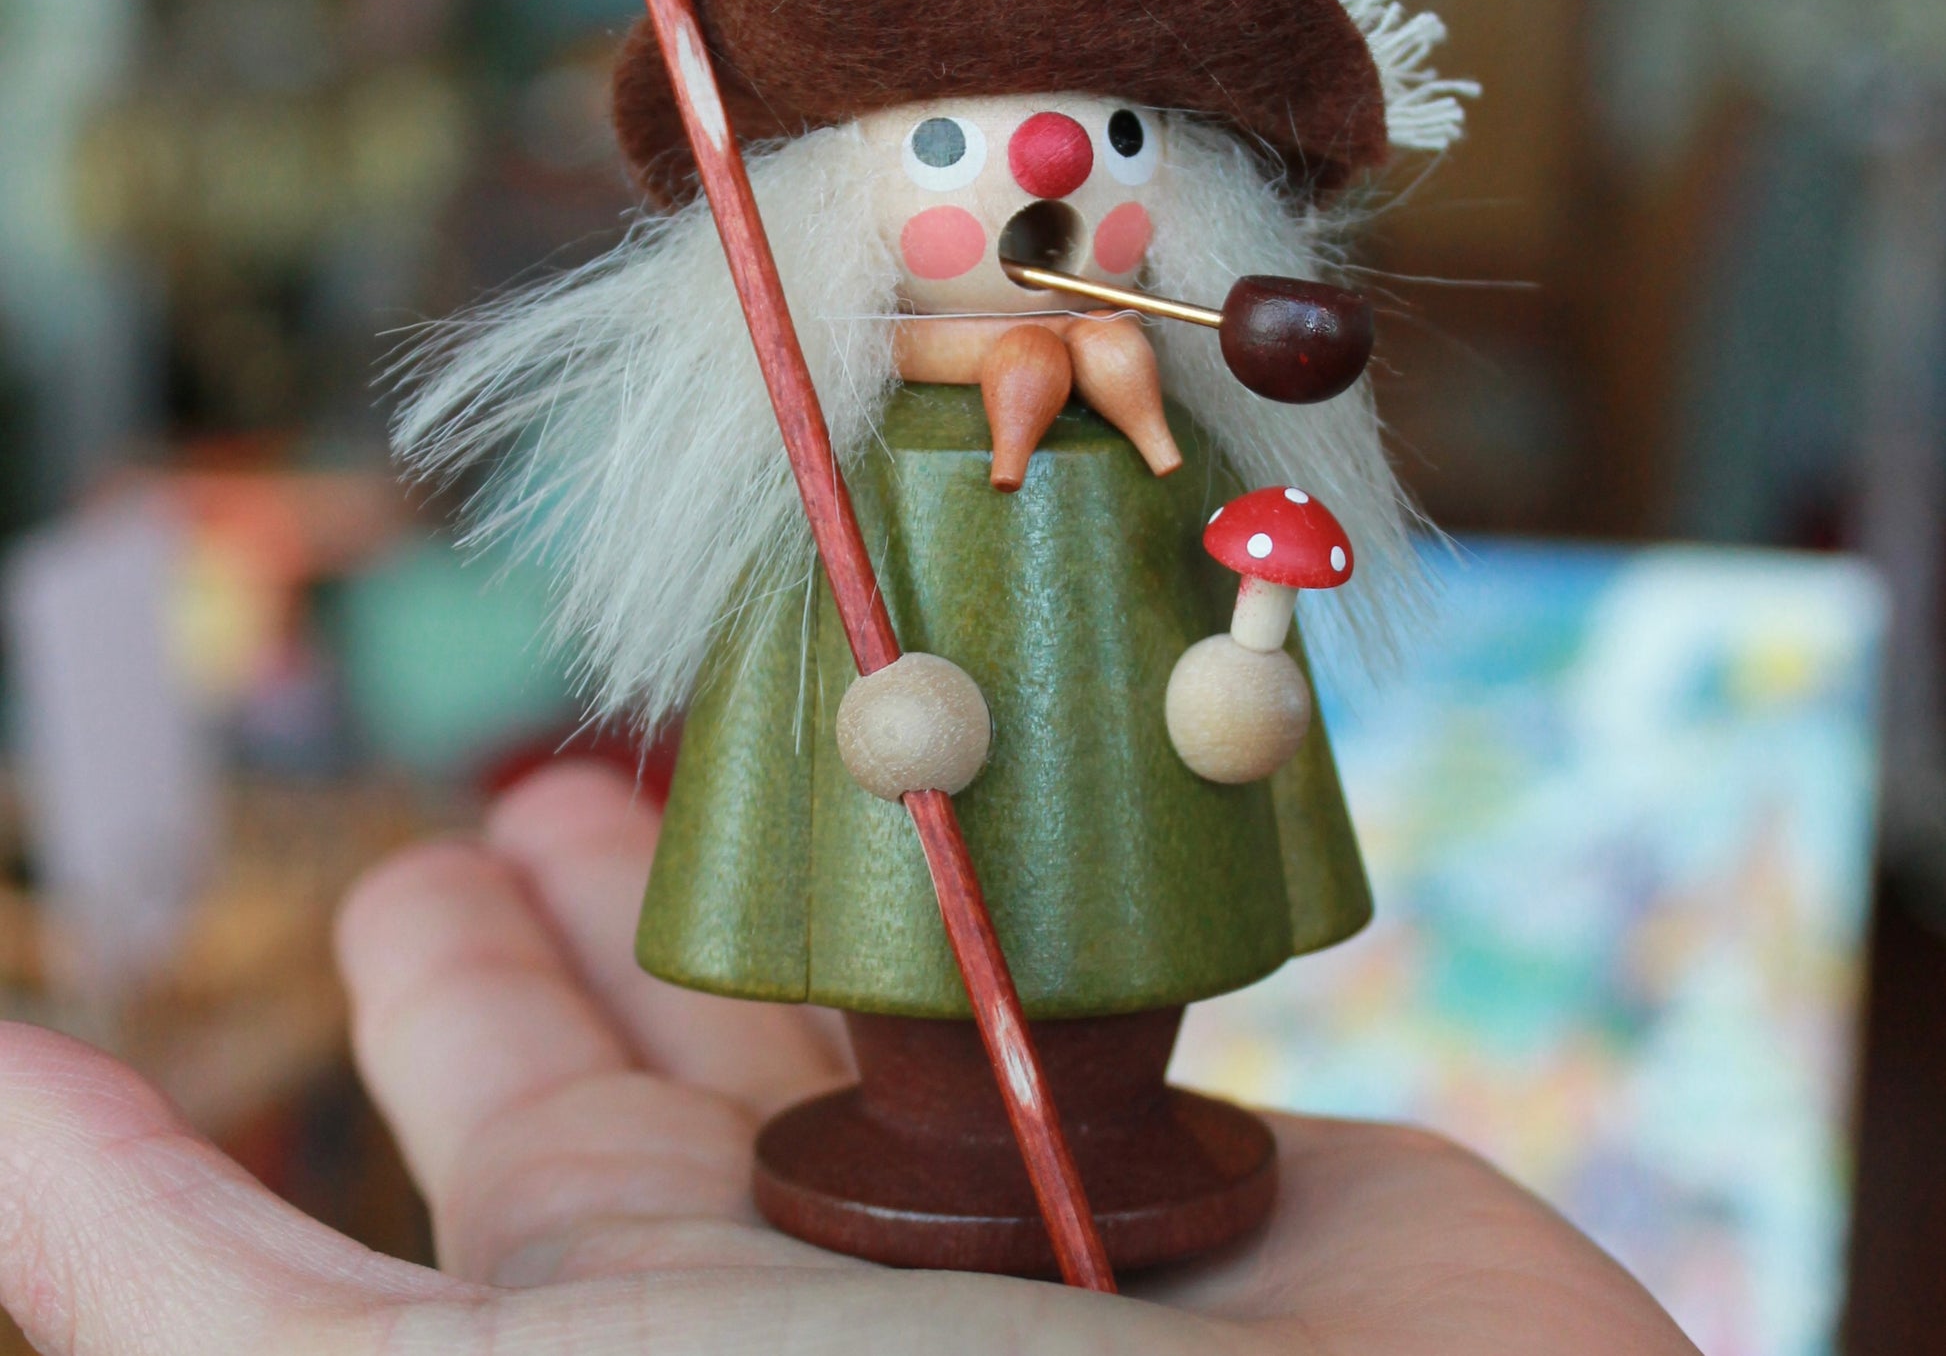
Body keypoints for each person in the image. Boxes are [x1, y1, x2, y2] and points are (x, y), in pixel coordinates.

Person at [0, 759, 1698, 1353]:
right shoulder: (829, 479)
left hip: (1135, 1078)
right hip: (885, 1068)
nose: (1046, 167)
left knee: (1128, 911)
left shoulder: (1174, 463)